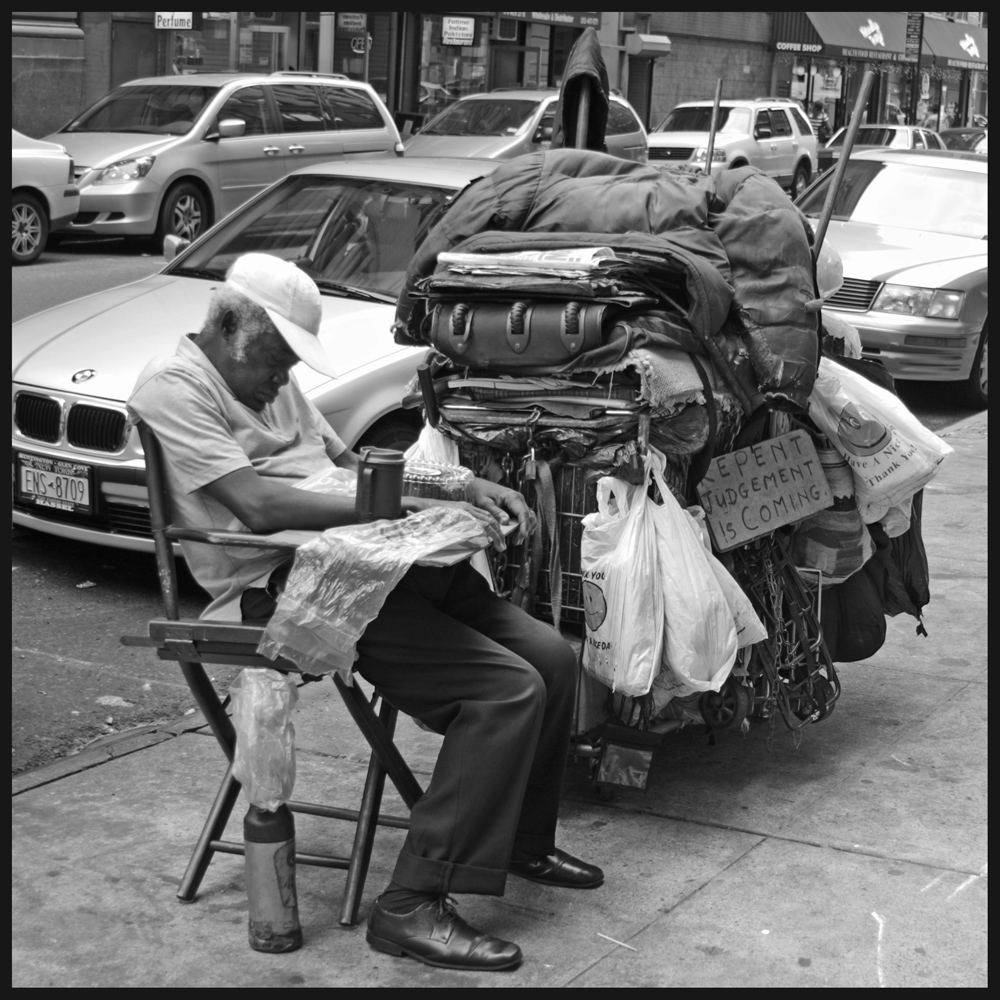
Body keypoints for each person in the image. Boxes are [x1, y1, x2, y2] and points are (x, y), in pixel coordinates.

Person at [127, 253, 602, 973]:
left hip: (362, 557)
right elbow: (257, 508)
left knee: (552, 659)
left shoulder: (272, 381)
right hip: (284, 583)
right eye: (276, 358)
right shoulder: (175, 388)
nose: (284, 377)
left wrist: (459, 485)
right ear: (231, 328)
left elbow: (353, 461)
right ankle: (411, 902)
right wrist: (391, 507)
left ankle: (519, 842)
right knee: (502, 693)